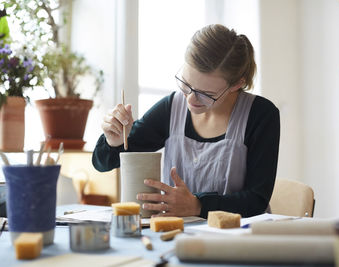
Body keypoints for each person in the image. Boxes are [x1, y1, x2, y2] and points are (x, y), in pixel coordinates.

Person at [92, 24, 280, 218]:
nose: (190, 99)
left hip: (238, 239)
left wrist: (198, 206)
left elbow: (256, 201)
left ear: (237, 84)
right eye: (186, 84)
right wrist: (113, 141)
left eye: (206, 94)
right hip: (178, 235)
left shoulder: (260, 115)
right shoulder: (172, 107)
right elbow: (103, 163)